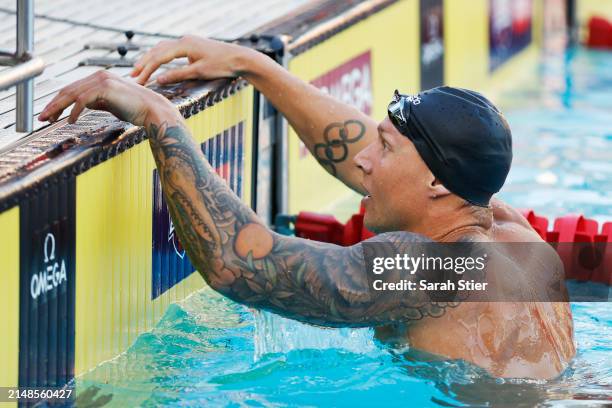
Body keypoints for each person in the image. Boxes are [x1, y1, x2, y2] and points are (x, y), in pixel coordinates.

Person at [39, 35, 575, 379]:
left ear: (435, 181)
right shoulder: (517, 237)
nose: (363, 160)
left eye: (384, 148)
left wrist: (161, 117)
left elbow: (240, 262)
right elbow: (377, 155)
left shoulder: (430, 270)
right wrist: (255, 67)